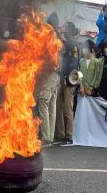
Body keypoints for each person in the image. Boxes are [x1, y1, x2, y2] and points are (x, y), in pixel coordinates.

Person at [37, 20, 61, 148]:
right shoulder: (57, 40)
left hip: (50, 75)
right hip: (56, 77)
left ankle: (46, 138)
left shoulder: (49, 41)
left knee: (44, 104)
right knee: (52, 105)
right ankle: (50, 137)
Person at [55, 30, 79, 144]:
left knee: (68, 109)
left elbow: (74, 64)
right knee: (58, 107)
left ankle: (69, 136)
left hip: (69, 80)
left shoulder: (73, 45)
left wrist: (66, 76)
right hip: (62, 78)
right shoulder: (66, 45)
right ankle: (61, 134)